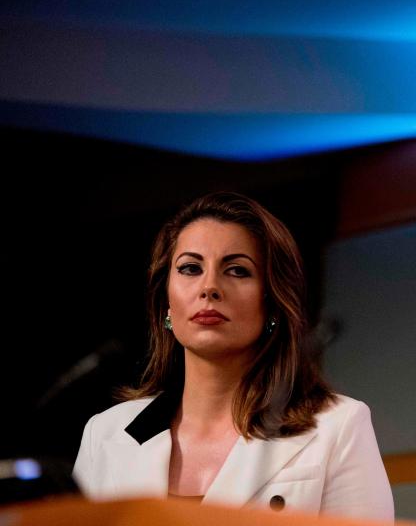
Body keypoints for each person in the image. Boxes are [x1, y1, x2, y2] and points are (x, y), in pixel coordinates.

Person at [73, 192, 394, 519]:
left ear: (271, 301)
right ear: (166, 304)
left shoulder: (336, 426)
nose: (209, 287)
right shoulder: (107, 433)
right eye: (190, 268)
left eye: (238, 271)